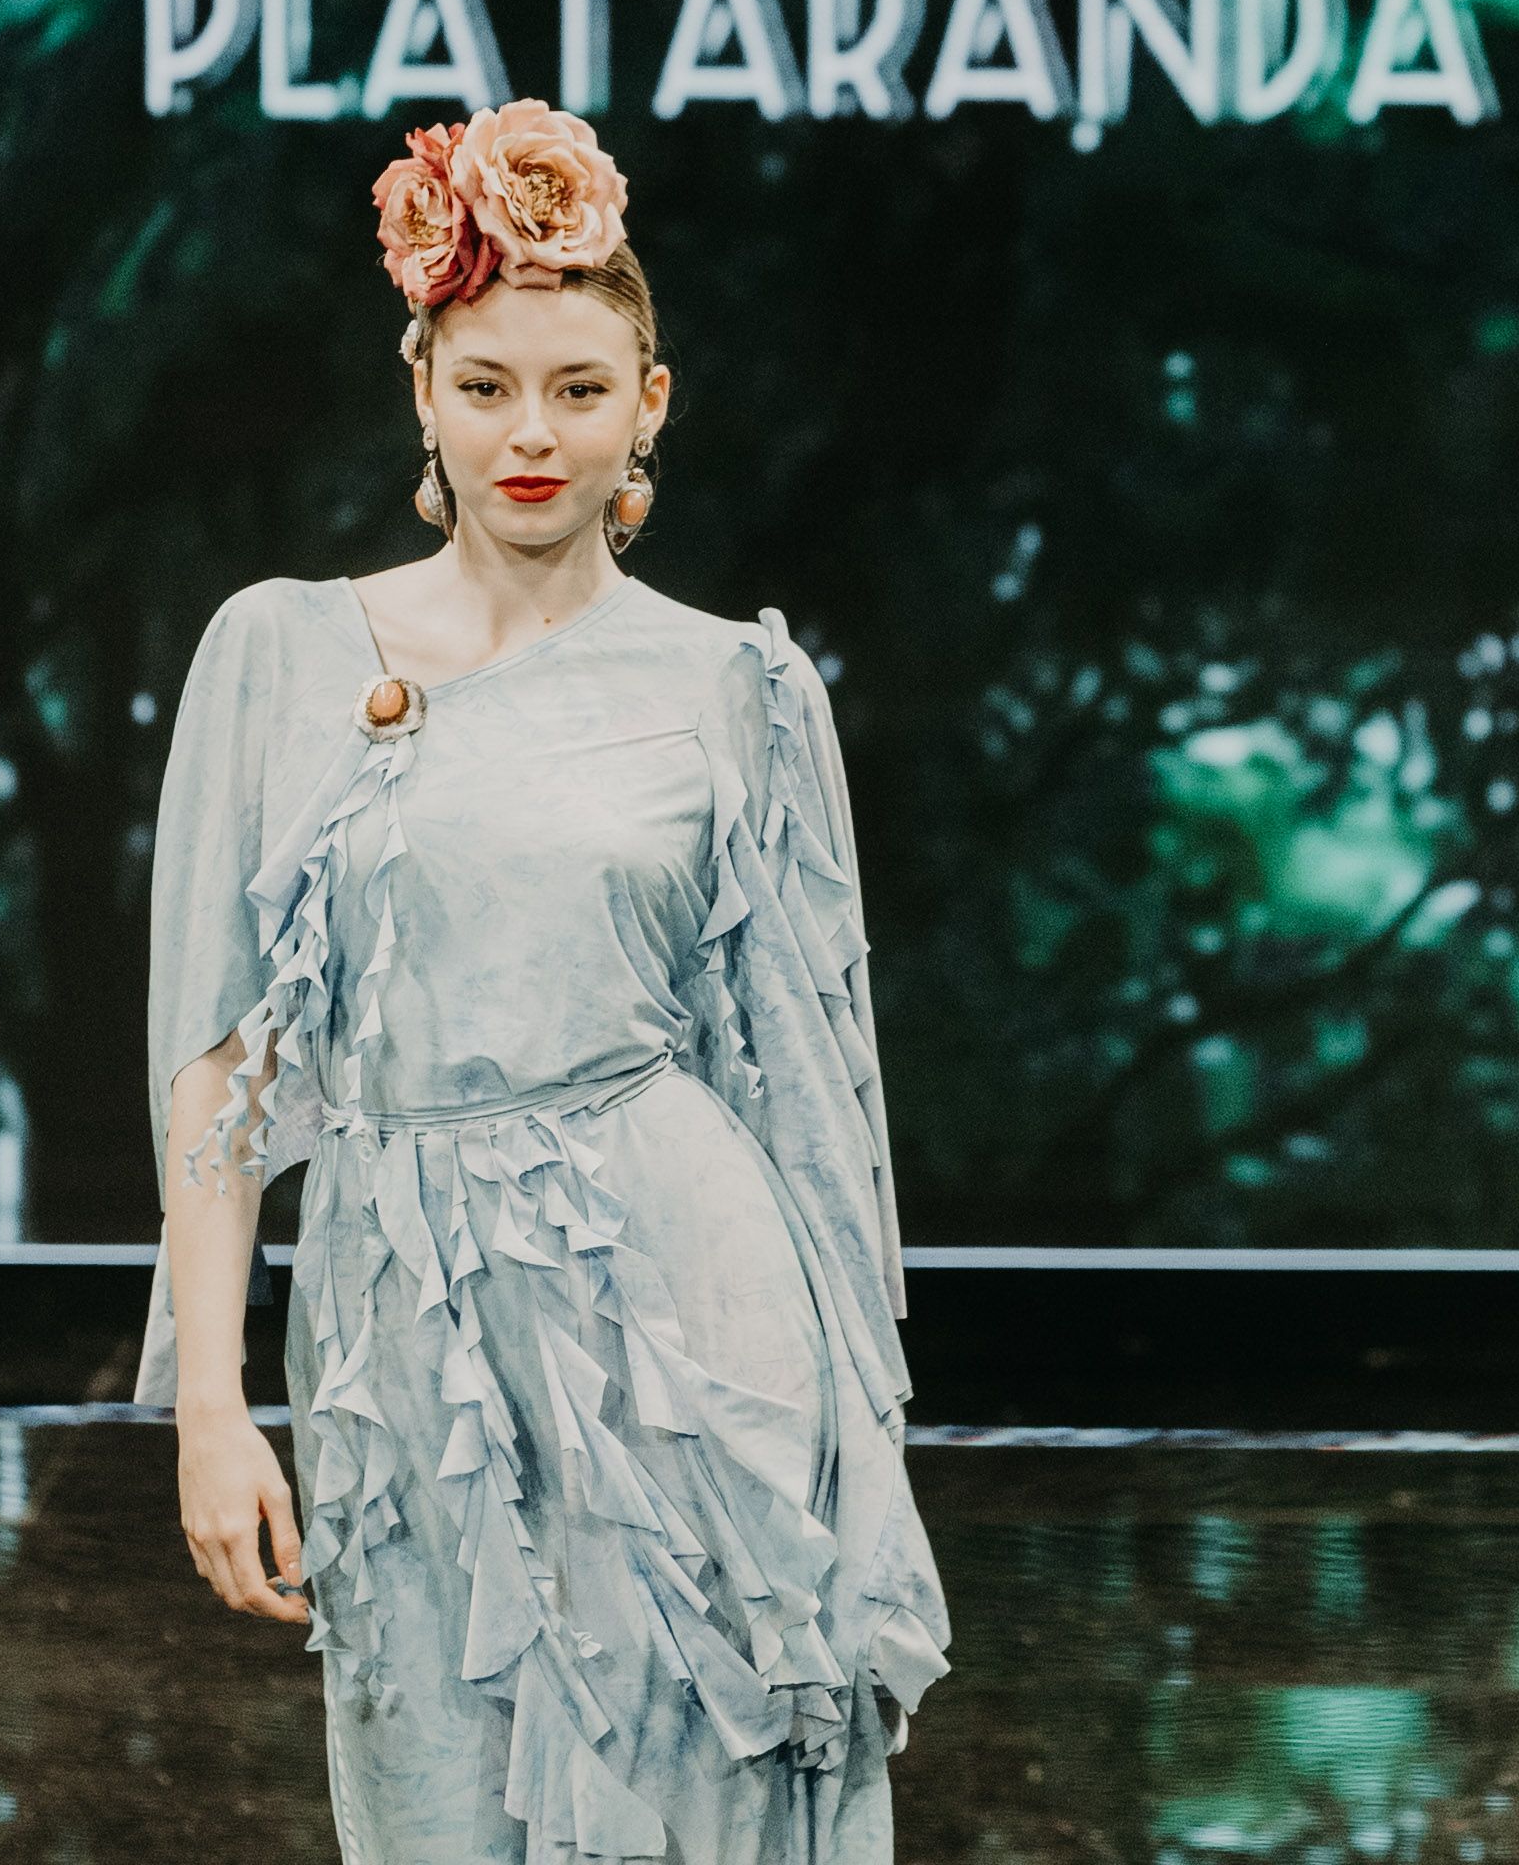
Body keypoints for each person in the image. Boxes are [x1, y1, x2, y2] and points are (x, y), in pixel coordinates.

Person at [141, 98, 952, 1861]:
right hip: (394, 1327)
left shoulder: (741, 688)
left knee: (709, 1779)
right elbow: (216, 1069)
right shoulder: (278, 651)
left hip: (691, 1315)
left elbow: (811, 1093)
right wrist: (216, 1406)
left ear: (648, 408)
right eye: (489, 383)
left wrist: (857, 1456)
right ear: (419, 389)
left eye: (580, 389)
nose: (533, 432)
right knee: (433, 1787)